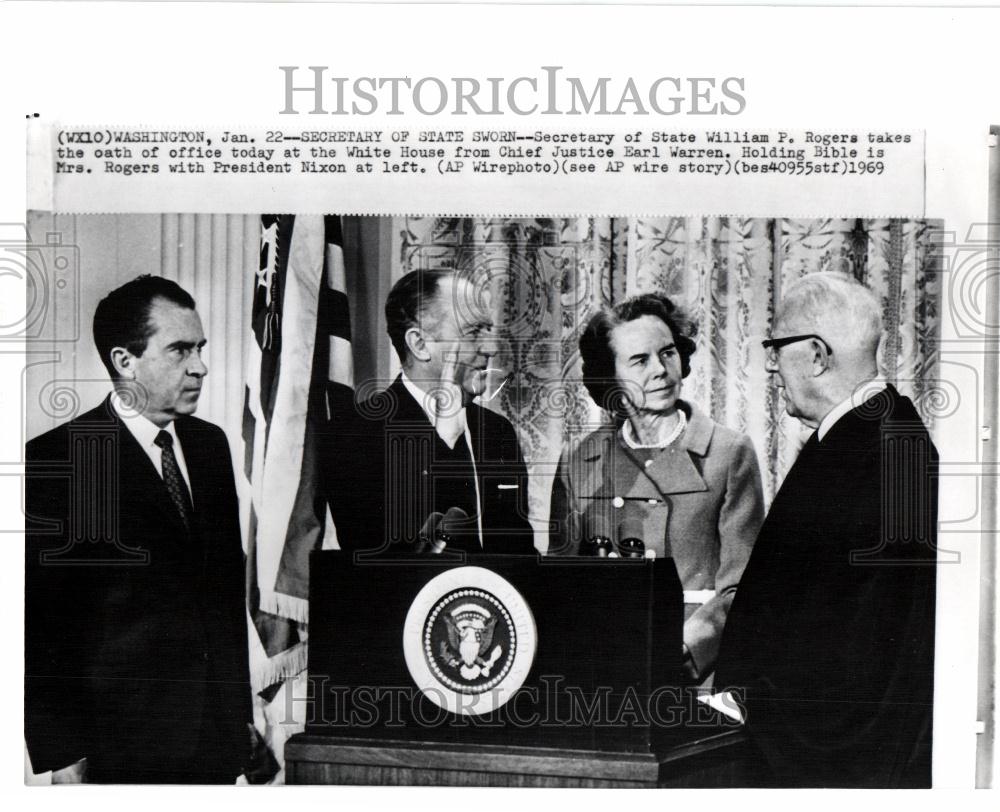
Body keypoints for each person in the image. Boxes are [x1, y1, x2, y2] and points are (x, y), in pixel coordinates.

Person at [25, 275, 253, 783]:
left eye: (200, 348)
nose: (201, 366)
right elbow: (41, 627)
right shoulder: (56, 461)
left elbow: (219, 596)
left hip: (214, 739)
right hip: (118, 748)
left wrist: (240, 720)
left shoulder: (210, 446)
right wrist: (64, 754)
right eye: (179, 350)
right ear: (124, 361)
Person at [714, 272, 938, 787]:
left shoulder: (876, 453)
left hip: (830, 764)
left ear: (816, 355)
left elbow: (865, 649)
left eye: (776, 346)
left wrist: (750, 703)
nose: (771, 365)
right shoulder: (872, 437)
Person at [549, 293, 765, 684]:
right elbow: (562, 586)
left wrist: (684, 648)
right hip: (601, 671)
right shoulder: (579, 461)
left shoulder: (728, 454)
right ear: (610, 376)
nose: (661, 371)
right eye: (639, 360)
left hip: (693, 673)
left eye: (668, 353)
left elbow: (743, 589)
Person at [325, 269, 535, 555]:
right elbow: (384, 562)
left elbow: (519, 555)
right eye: (473, 332)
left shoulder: (497, 432)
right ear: (420, 344)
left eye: (489, 330)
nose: (491, 347)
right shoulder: (354, 435)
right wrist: (445, 443)